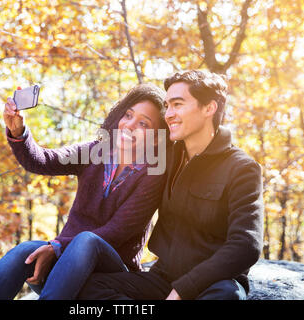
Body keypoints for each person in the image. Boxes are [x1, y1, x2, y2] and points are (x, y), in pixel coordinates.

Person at [0, 83, 170, 300]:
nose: (129, 125)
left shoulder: (154, 174)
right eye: (128, 115)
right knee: (25, 251)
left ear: (157, 137)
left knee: (87, 240)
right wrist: (18, 132)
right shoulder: (94, 152)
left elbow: (117, 230)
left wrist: (57, 246)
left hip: (111, 272)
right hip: (66, 266)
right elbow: (43, 161)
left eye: (143, 124)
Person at [77, 70, 264, 300]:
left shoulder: (242, 168)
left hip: (215, 284)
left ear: (209, 108)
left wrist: (184, 289)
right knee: (84, 286)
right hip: (162, 278)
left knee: (227, 297)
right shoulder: (166, 157)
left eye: (177, 104)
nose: (169, 114)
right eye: (167, 106)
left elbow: (246, 246)